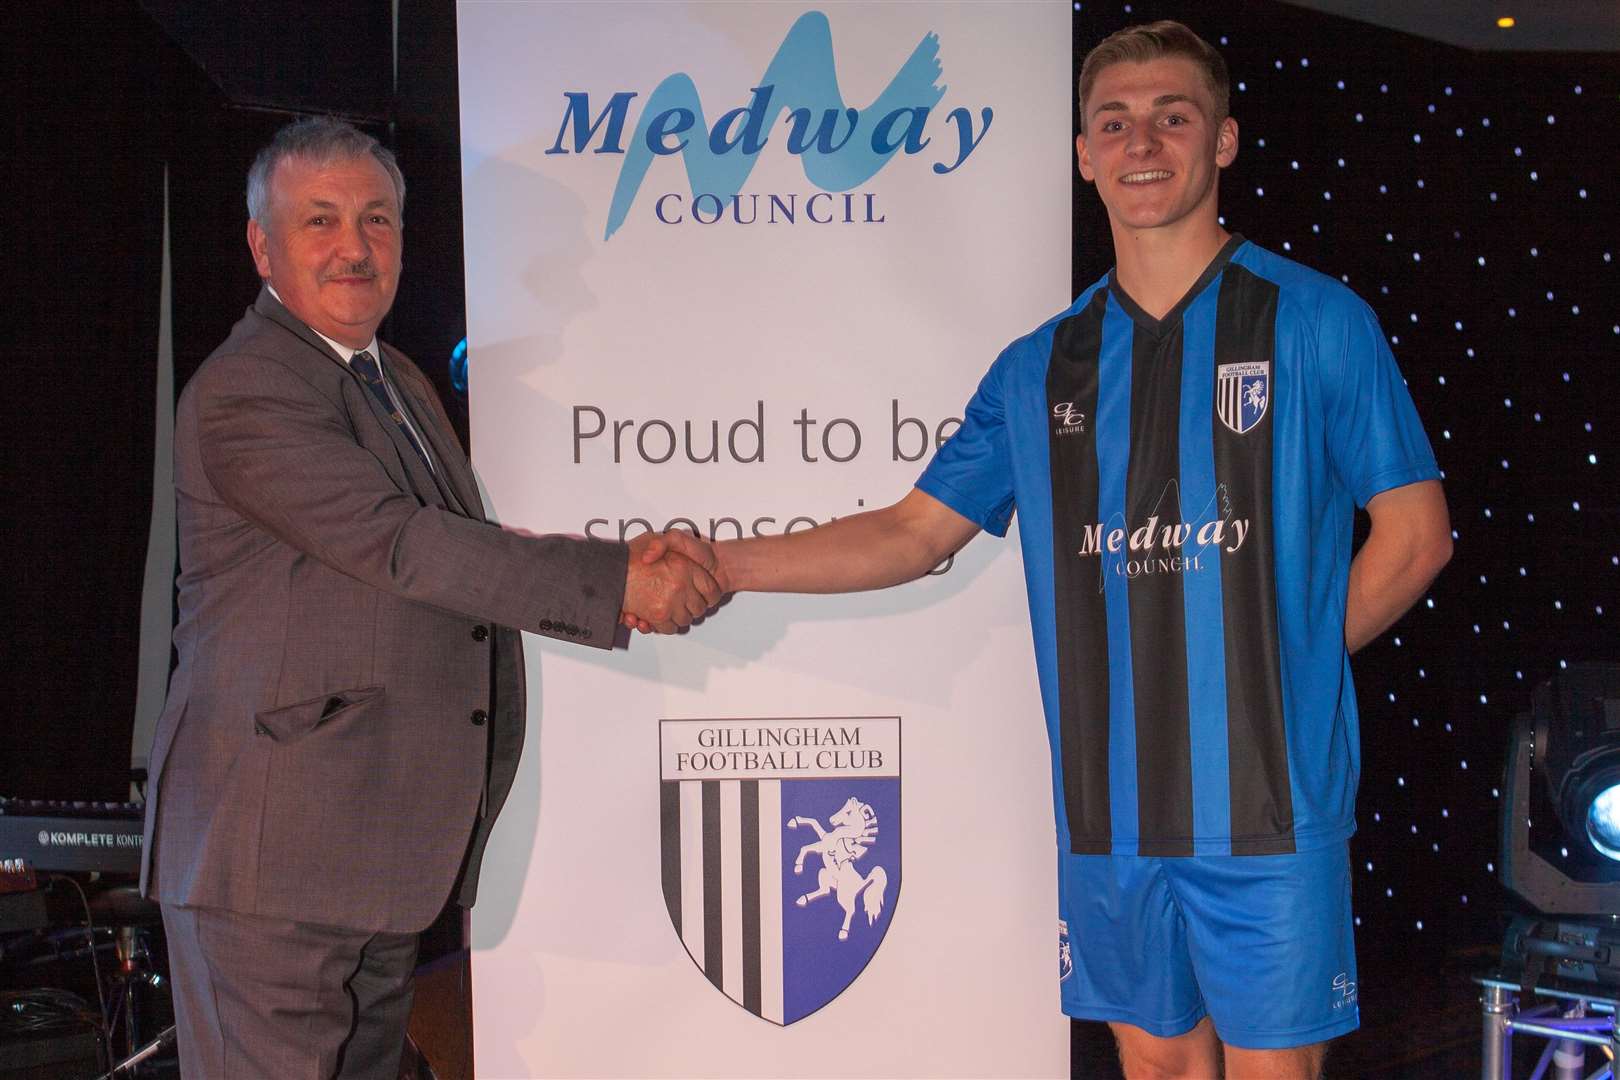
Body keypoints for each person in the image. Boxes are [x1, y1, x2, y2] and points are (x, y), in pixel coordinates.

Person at [635, 20, 1453, 1080]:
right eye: (1114, 123)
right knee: (1154, 1067)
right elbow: (913, 532)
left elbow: (1417, 535)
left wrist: (1284, 661)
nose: (1142, 142)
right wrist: (726, 563)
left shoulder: (1315, 322)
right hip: (1108, 815)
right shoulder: (1041, 366)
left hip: (1269, 809)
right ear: (1082, 154)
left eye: (1173, 116)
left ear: (1225, 142)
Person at [140, 116, 720, 1079]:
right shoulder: (249, 390)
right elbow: (406, 546)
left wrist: (615, 557)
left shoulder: (393, 378)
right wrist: (620, 584)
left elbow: (450, 548)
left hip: (366, 861)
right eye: (320, 220)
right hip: (269, 872)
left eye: (377, 219)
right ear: (261, 244)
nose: (355, 246)